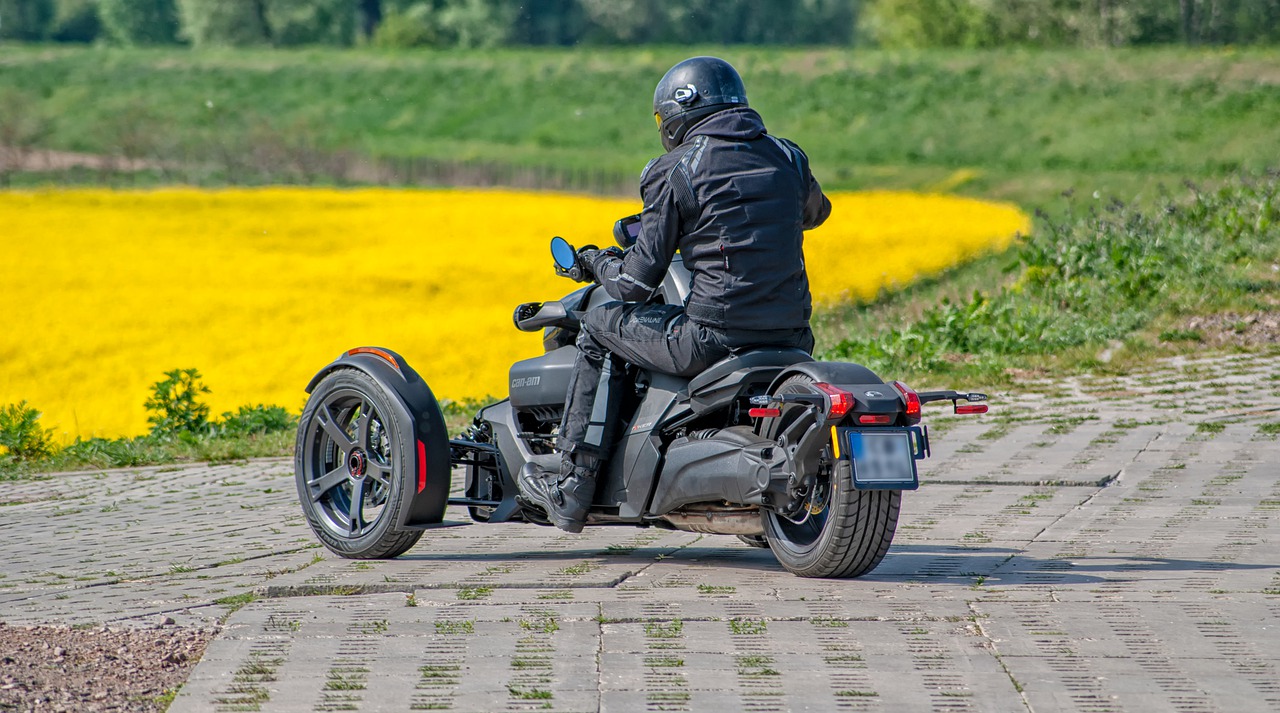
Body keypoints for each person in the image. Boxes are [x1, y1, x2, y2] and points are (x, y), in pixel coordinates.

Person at [518, 56, 832, 533]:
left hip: (711, 338)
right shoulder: (788, 156)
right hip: (792, 338)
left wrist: (591, 260)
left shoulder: (677, 168)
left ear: (678, 113)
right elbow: (816, 212)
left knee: (600, 326)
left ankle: (572, 484)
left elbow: (634, 285)